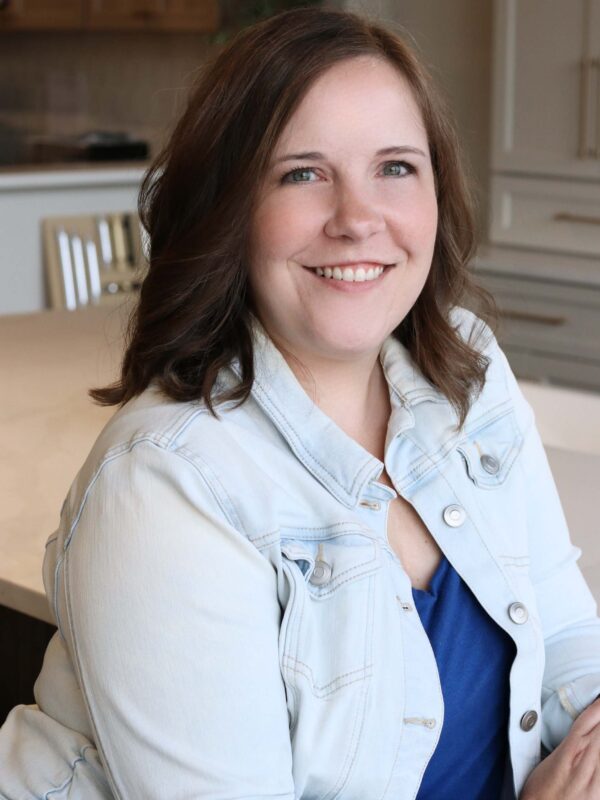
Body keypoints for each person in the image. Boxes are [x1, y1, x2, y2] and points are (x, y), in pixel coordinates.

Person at [1, 7, 600, 799]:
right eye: (302, 172)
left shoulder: (465, 366)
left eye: (395, 167)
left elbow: (565, 639)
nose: (358, 219)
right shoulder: (169, 485)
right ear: (228, 208)